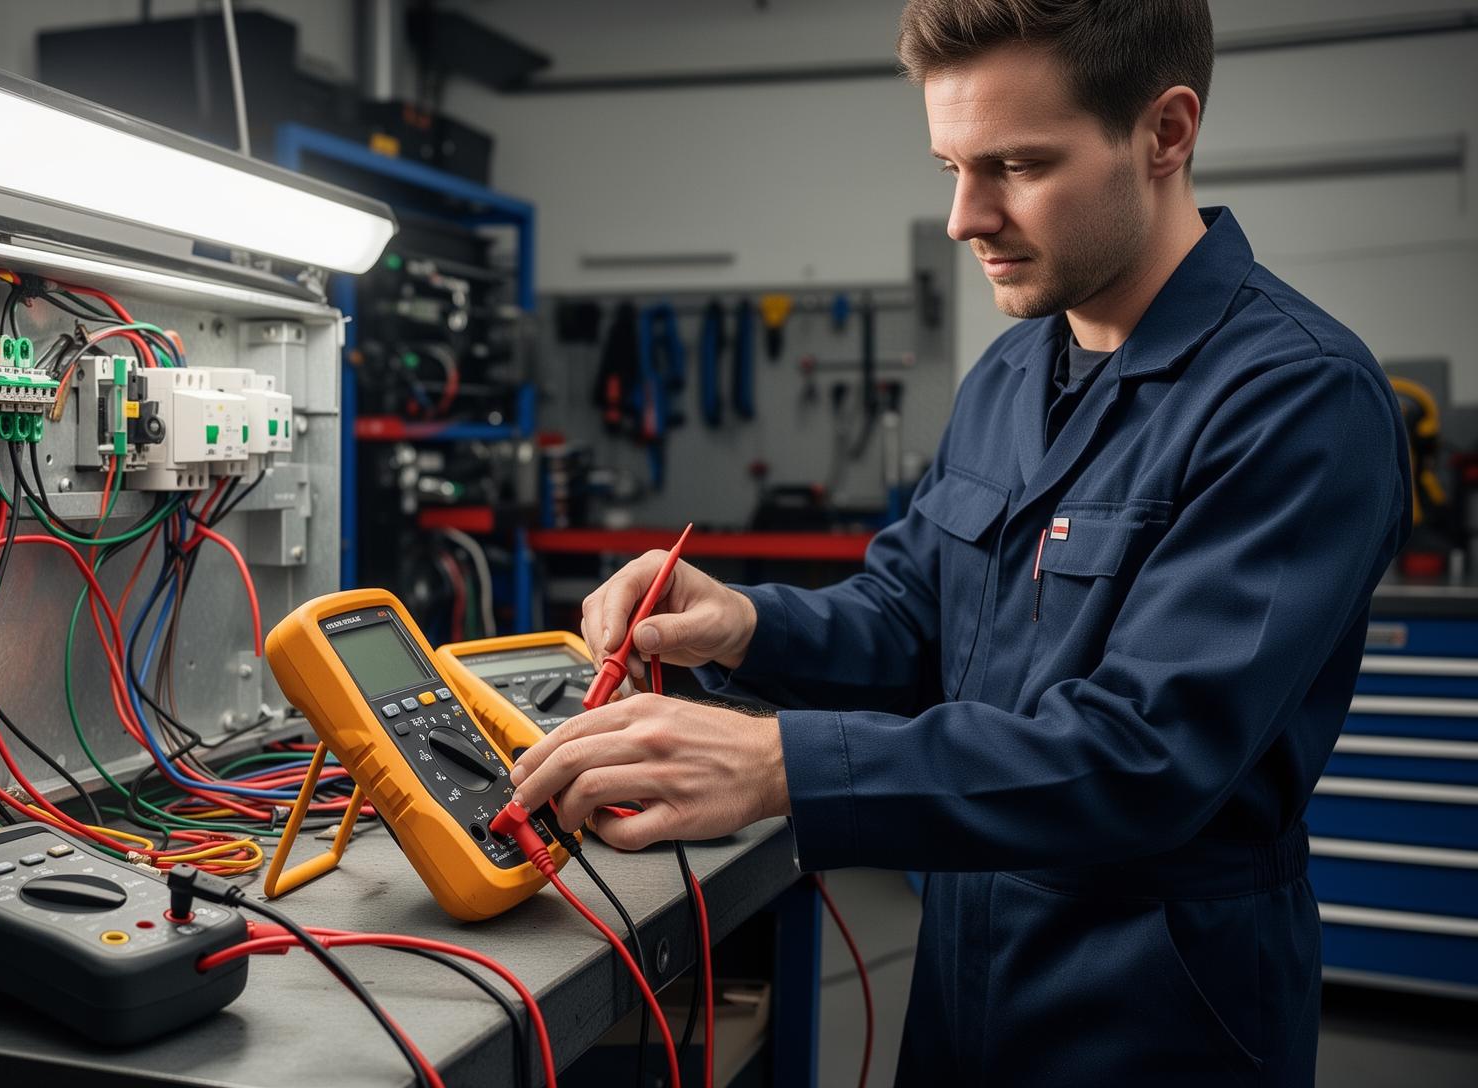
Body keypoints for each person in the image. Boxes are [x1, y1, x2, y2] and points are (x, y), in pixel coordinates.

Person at [507, 1, 1411, 1082]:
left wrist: (779, 763)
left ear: (1166, 133)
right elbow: (911, 618)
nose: (962, 217)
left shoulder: (1296, 399)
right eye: (949, 164)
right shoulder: (1015, 371)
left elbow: (1146, 755)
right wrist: (746, 623)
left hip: (1158, 1008)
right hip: (965, 976)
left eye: (1018, 165)